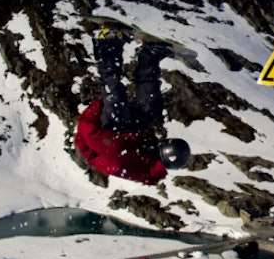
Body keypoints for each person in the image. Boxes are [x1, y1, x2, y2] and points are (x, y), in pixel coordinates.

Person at [74, 26, 191, 184]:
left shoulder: (123, 161)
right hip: (126, 134)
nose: (162, 141)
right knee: (150, 108)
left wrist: (97, 109)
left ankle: (107, 42)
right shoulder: (152, 159)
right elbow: (139, 142)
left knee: (116, 95)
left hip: (100, 133)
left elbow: (90, 135)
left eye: (165, 144)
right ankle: (149, 56)